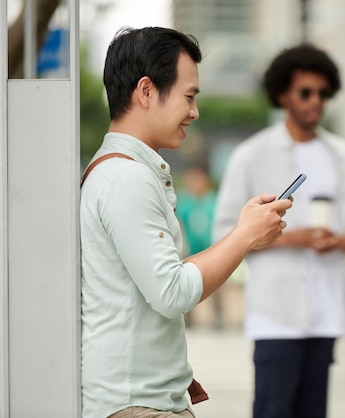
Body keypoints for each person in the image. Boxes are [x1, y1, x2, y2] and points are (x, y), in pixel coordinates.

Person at [80, 26, 292, 418]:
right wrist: (243, 236)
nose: (194, 112)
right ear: (146, 91)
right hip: (137, 404)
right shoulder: (127, 178)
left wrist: (243, 235)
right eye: (189, 97)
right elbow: (172, 292)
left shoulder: (122, 171)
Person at [213, 44, 345, 418]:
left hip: (328, 308)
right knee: (272, 410)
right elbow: (226, 229)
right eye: (306, 92)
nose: (315, 101)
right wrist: (292, 238)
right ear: (283, 94)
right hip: (275, 312)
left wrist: (343, 240)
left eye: (322, 92)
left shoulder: (344, 156)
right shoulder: (251, 155)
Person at [176, 165, 224, 328]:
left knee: (216, 285)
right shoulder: (184, 201)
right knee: (187, 284)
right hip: (190, 251)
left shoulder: (213, 201)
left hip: (210, 249)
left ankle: (219, 317)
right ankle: (187, 318)